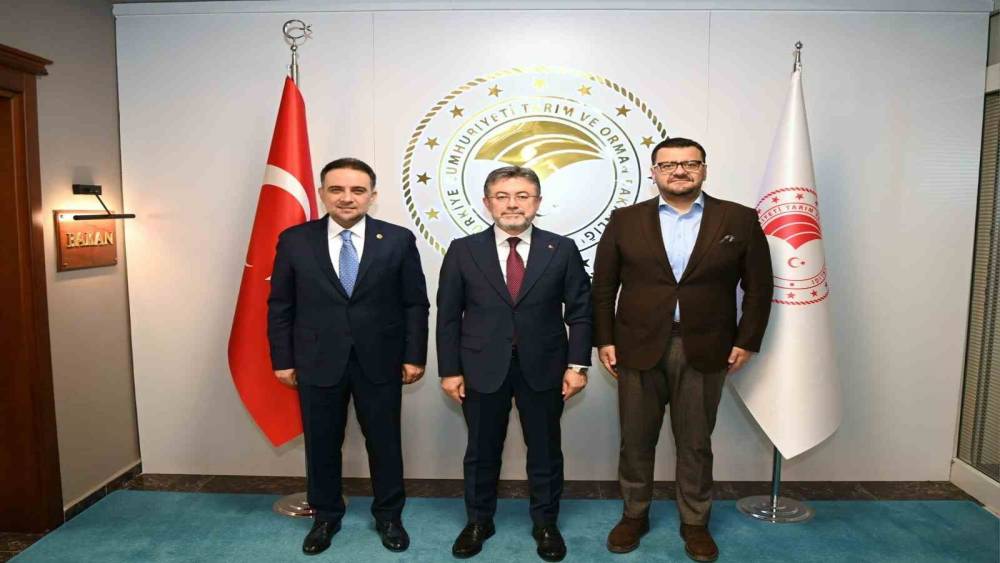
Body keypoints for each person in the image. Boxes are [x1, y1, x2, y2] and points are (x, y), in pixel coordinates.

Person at [592, 138, 773, 562]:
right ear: (654, 172)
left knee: (695, 443)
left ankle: (695, 522)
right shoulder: (625, 220)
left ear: (704, 169)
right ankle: (634, 514)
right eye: (668, 164)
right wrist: (605, 339)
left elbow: (759, 287)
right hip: (636, 346)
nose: (679, 171)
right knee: (636, 440)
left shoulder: (740, 219)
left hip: (707, 347)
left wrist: (746, 340)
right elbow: (603, 287)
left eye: (690, 163)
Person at [267, 157, 429, 555]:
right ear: (322, 193)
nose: (347, 197)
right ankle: (325, 517)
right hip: (317, 359)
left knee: (385, 443)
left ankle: (389, 516)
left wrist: (414, 355)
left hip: (381, 360)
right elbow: (281, 305)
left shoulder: (397, 239)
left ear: (372, 196)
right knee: (321, 444)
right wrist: (282, 359)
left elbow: (414, 304)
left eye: (357, 190)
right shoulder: (294, 240)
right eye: (336, 189)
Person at [436, 166, 592, 562]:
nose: (512, 204)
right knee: (481, 451)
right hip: (480, 368)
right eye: (502, 196)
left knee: (545, 450)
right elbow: (448, 316)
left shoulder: (562, 249)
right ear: (487, 203)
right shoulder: (463, 250)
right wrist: (449, 370)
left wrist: (578, 365)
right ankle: (479, 521)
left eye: (522, 196)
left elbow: (580, 312)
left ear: (537, 203)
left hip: (546, 367)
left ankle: (545, 524)